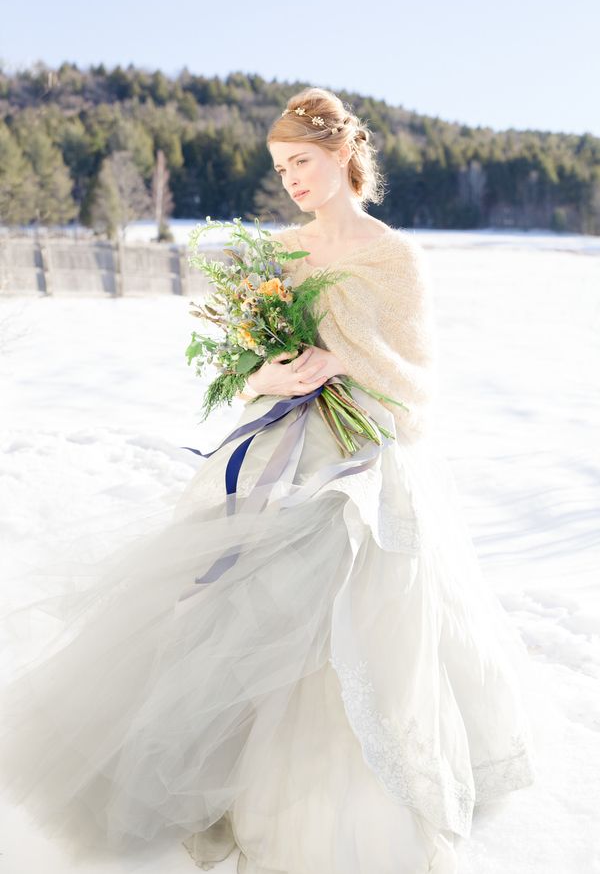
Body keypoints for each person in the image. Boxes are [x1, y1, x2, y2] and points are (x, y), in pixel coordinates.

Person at [0, 87, 536, 874]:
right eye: (281, 167)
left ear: (343, 156)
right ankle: (229, 785)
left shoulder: (394, 258)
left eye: (302, 162)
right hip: (282, 450)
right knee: (242, 613)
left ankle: (337, 811)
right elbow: (245, 367)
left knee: (346, 625)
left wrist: (344, 362)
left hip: (362, 466)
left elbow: (419, 389)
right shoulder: (279, 250)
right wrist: (271, 378)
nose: (290, 179)